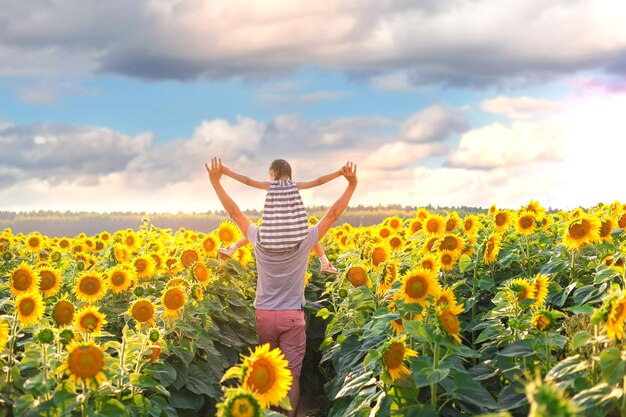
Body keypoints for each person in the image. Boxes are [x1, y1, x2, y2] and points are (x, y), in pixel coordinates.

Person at [205, 157, 357, 417]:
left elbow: (235, 213)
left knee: (270, 374)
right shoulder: (306, 239)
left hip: (264, 315)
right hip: (292, 317)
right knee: (292, 376)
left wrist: (217, 181)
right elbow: (332, 214)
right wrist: (351, 185)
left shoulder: (258, 237)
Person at [217, 159, 343, 274]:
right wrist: (339, 173)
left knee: (257, 231)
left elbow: (247, 181)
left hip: (272, 234)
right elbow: (319, 181)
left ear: (273, 173)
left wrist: (228, 173)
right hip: (294, 232)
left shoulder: (270, 186)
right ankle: (325, 263)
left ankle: (232, 249)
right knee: (310, 232)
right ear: (289, 174)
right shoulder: (295, 185)